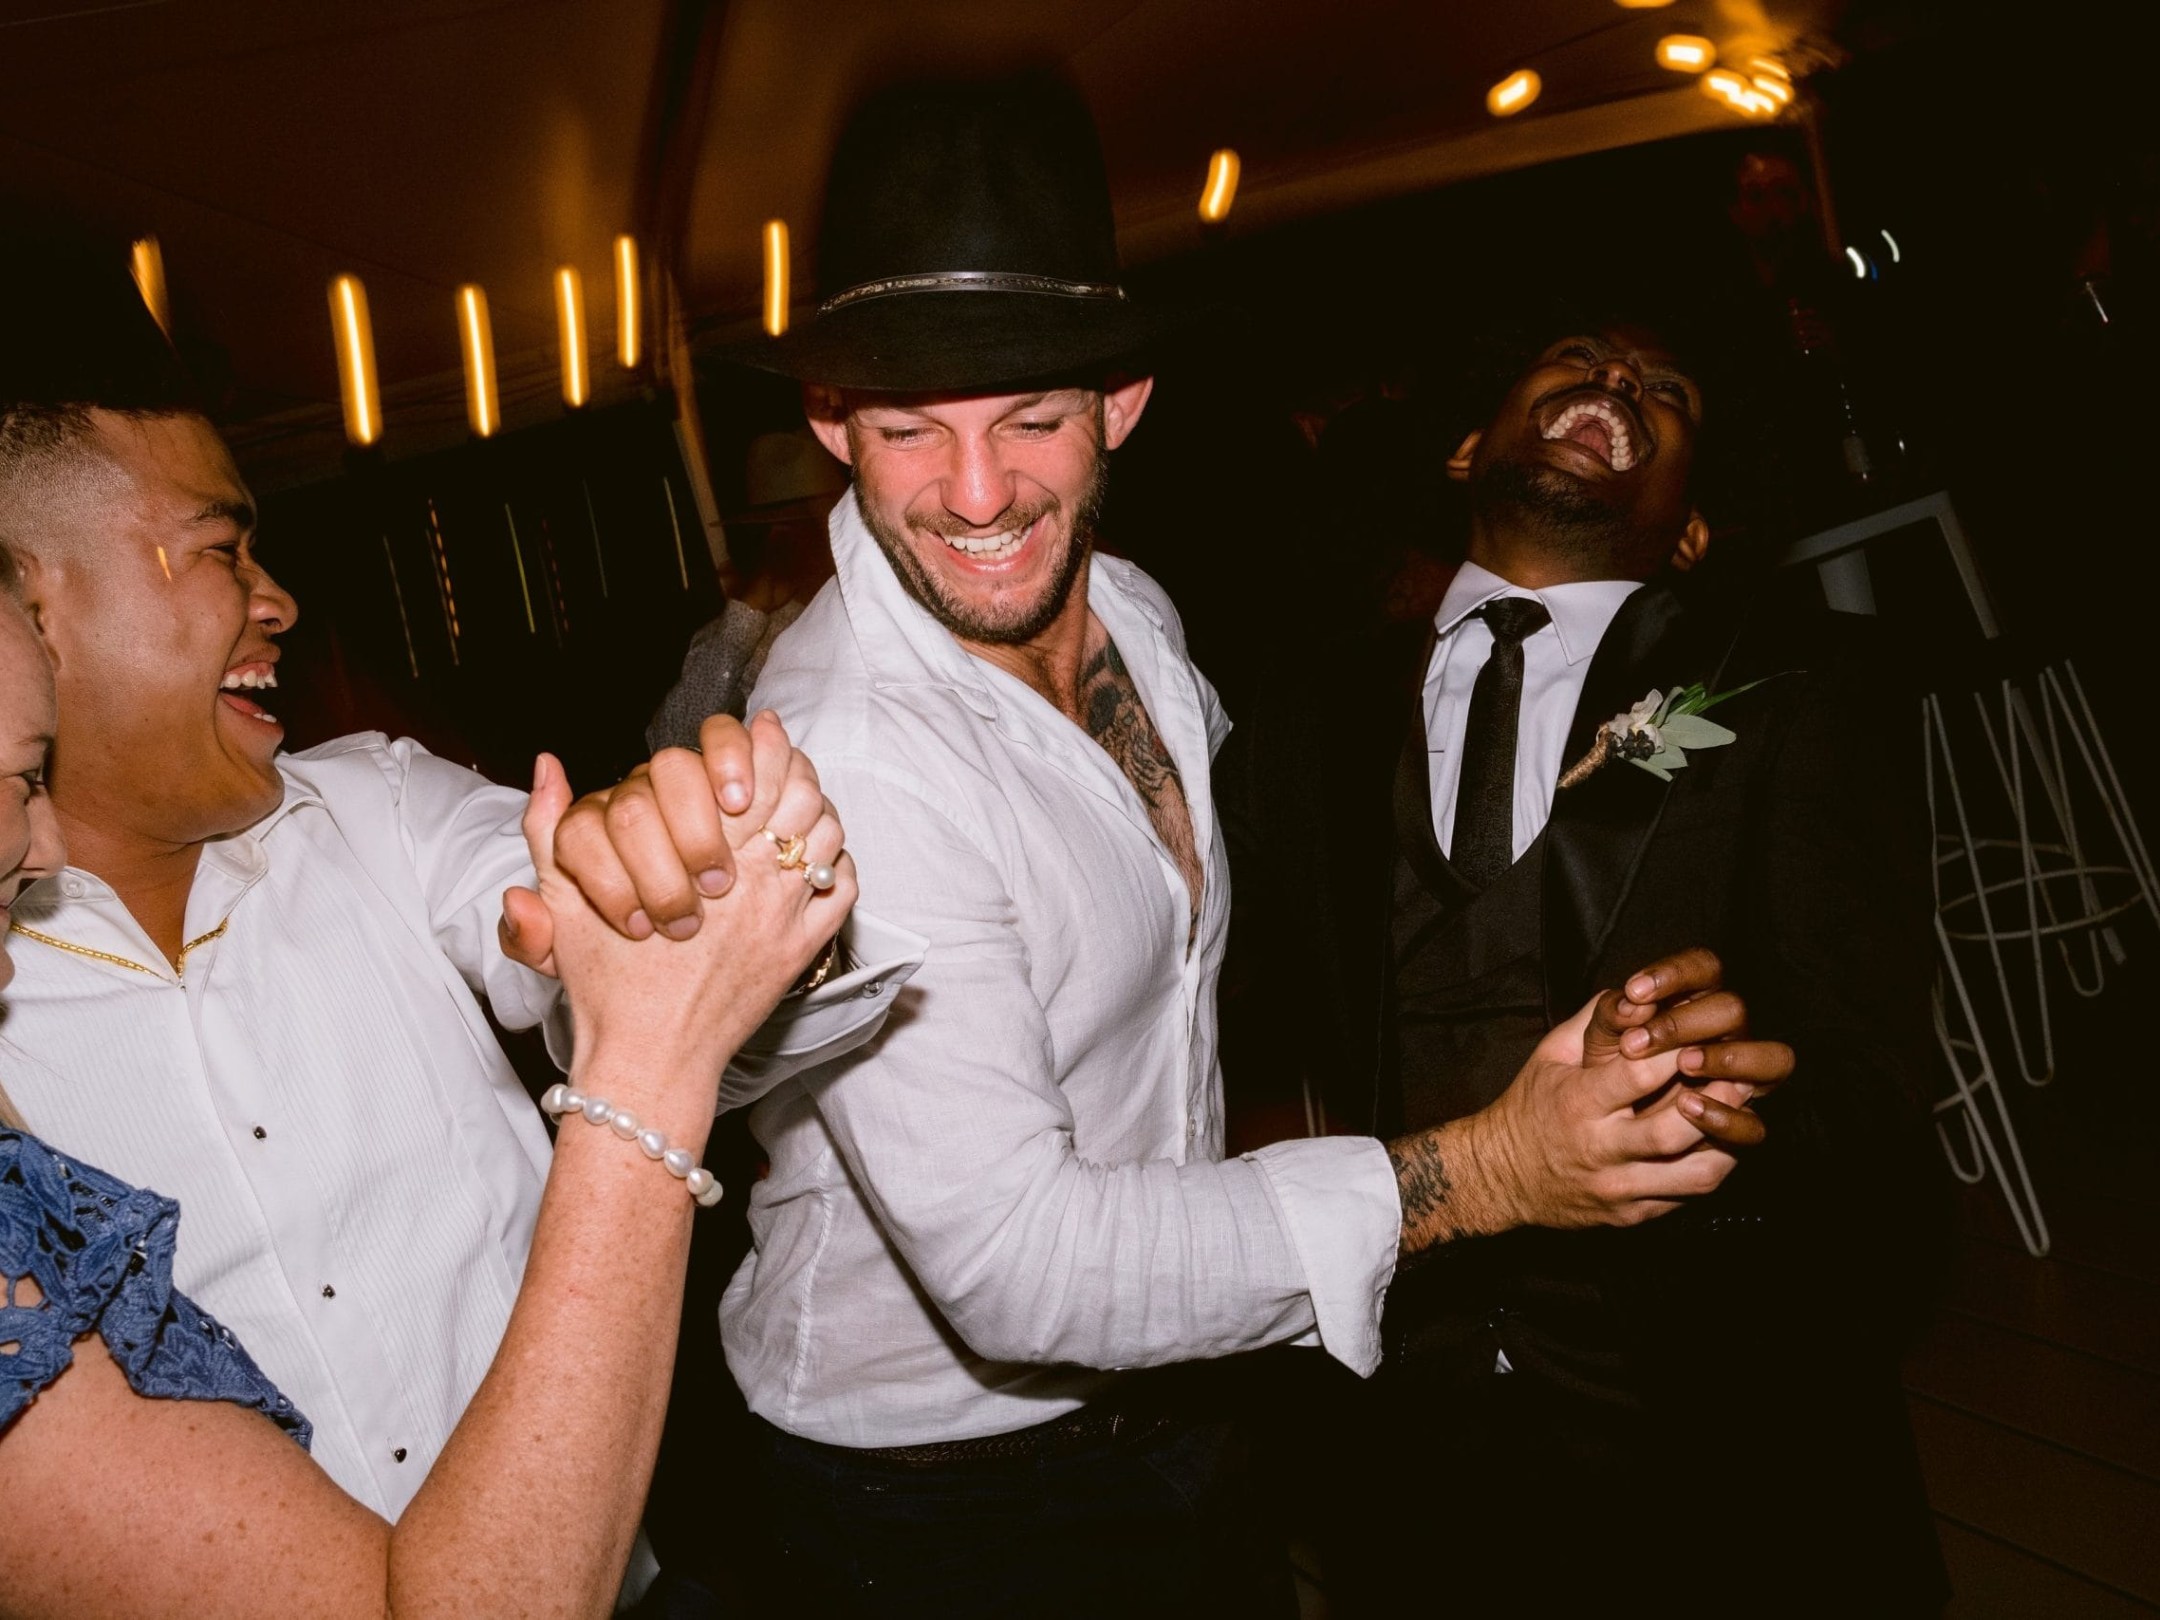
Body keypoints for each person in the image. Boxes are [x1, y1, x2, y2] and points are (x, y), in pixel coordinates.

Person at [657, 77, 1794, 1617]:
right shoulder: (846, 753)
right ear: (829, 425)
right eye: (911, 430)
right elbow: (1019, 1266)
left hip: (1184, 1387)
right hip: (935, 1501)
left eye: (1035, 419)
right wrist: (1491, 1167)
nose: (978, 496)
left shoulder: (1127, 605)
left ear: (1121, 404)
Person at [0, 391, 912, 1590]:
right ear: (32, 604)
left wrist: (661, 886)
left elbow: (586, 940)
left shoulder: (375, 807)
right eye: (223, 550)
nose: (275, 598)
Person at [1221, 316, 1952, 1614]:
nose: (1616, 380)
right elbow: (1252, 1032)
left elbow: (1873, 1078)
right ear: (1464, 451)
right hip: (1409, 1432)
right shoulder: (1298, 714)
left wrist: (1730, 1098)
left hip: (1710, 1419)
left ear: (1689, 533)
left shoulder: (1781, 688)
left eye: (1665, 390)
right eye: (1573, 362)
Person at [649, 428, 848, 747]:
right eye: (791, 530)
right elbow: (670, 740)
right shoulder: (749, 631)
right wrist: (749, 611)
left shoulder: (871, 604)